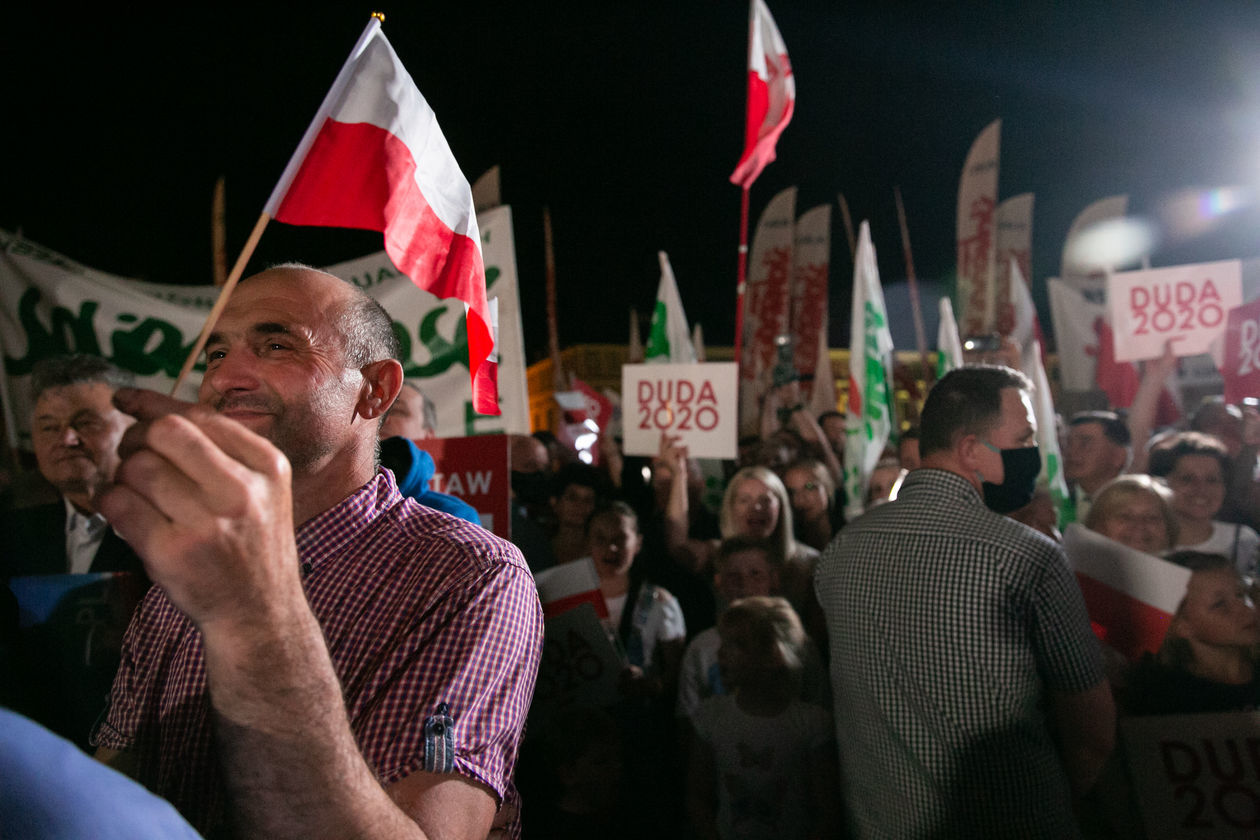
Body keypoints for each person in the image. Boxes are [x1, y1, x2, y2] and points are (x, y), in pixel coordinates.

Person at [91, 265, 544, 840]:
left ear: (375, 389)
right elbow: (114, 795)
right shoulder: (177, 581)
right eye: (215, 355)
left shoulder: (468, 576)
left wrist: (252, 610)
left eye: (276, 345)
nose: (225, 378)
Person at [816, 365, 1113, 838]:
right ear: (972, 450)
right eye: (1025, 439)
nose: (1034, 455)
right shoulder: (1026, 556)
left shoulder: (839, 552)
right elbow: (1091, 731)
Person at [1, 354, 149, 749]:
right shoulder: (11, 531)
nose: (65, 439)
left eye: (85, 423)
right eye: (48, 426)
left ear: (133, 428)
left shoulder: (174, 531)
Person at [686, 596, 838, 840]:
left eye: (737, 644)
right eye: (723, 642)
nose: (721, 652)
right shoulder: (710, 716)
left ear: (774, 655)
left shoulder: (811, 723)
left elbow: (827, 811)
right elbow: (698, 795)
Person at [1127, 552, 1260, 715]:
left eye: (1241, 594)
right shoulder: (1164, 698)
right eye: (1220, 604)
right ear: (1181, 625)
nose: (1245, 608)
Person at [1150, 432, 1260, 577]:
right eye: (1187, 479)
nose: (1201, 489)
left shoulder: (1243, 541)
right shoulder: (1143, 538)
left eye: (1212, 480)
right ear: (1163, 483)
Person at [378, 380, 481, 525]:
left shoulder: (451, 516)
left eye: (397, 411)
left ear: (428, 435)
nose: (381, 417)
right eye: (377, 406)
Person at [1083, 474, 1177, 556]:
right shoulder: (1072, 574)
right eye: (1125, 517)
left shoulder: (1187, 573)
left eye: (1152, 518)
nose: (1139, 525)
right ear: (1098, 527)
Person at [1064, 410, 1131, 523]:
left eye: (1085, 443)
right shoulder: (1056, 501)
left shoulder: (1135, 505)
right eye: (1068, 443)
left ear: (1118, 456)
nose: (1071, 452)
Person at [781, 458, 839, 552]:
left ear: (828, 488)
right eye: (792, 492)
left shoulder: (850, 529)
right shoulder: (787, 542)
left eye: (809, 487)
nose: (801, 498)